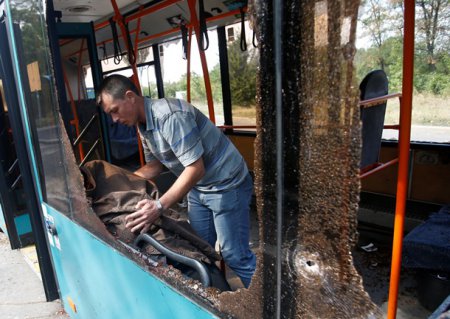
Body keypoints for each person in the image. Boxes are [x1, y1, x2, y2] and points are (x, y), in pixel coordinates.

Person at [96, 74, 256, 288]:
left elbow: (195, 168)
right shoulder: (143, 126)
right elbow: (154, 166)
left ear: (130, 97)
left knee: (234, 254)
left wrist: (159, 205)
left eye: (114, 111)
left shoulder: (168, 116)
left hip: (226, 183)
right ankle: (217, 296)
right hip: (199, 188)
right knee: (198, 249)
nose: (114, 120)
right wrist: (118, 182)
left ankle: (272, 305)